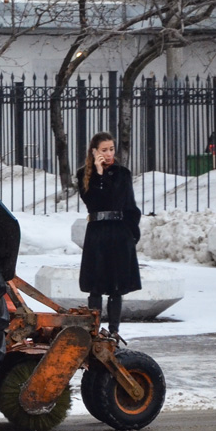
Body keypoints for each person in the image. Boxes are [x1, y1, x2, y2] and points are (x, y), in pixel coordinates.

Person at [77, 131, 142, 336]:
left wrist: (132, 233)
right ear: (94, 151)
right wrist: (98, 173)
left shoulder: (123, 173)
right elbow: (94, 202)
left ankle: (114, 331)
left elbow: (128, 204)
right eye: (104, 150)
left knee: (116, 287)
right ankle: (93, 331)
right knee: (95, 286)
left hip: (119, 233)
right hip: (97, 233)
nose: (109, 154)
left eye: (111, 149)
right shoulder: (84, 175)